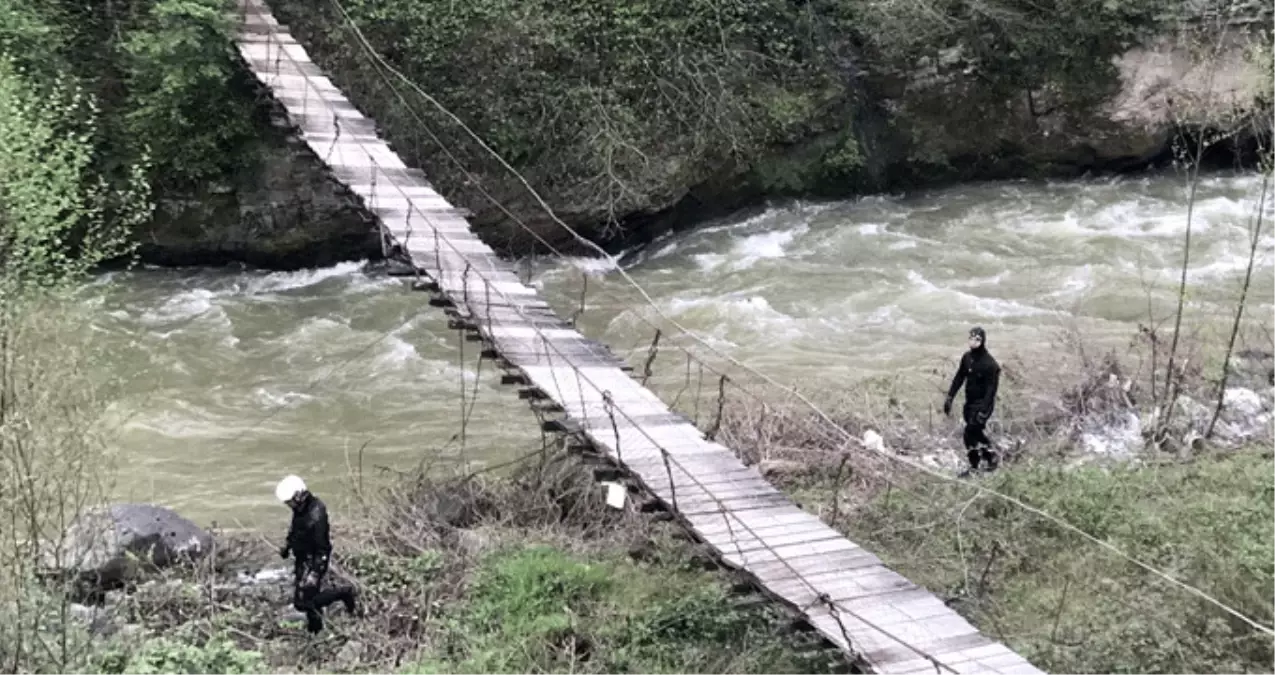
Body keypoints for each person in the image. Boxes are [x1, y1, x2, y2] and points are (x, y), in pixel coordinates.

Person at [276, 475, 356, 633]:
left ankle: (344, 593)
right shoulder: (300, 509)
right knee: (305, 599)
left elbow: (323, 547)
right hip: (302, 557)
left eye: (289, 502)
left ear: (299, 496)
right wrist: (287, 546)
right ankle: (315, 629)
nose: (288, 505)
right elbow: (295, 529)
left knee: (305, 601)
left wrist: (315, 572)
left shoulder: (317, 515)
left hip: (314, 560)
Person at [943, 326, 1001, 475]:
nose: (973, 341)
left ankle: (985, 459)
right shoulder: (967, 358)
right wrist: (950, 397)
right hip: (969, 403)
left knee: (969, 432)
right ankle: (984, 459)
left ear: (982, 341)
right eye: (971, 338)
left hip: (982, 404)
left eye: (977, 339)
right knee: (973, 434)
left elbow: (991, 390)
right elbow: (959, 378)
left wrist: (983, 411)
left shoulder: (990, 364)